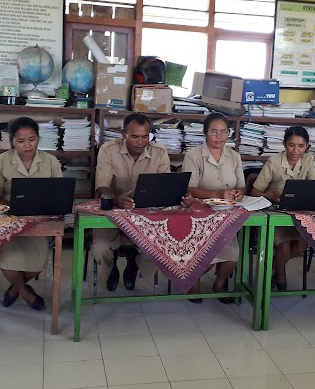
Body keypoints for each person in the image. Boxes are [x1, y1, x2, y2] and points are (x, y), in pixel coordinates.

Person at [0, 117, 63, 310]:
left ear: (38, 138)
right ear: (12, 141)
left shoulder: (50, 161)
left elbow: (60, 193)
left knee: (37, 264)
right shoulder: (2, 161)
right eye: (21, 141)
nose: (27, 145)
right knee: (9, 264)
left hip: (39, 221)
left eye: (32, 139)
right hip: (9, 221)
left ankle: (14, 289)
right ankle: (26, 293)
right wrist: (12, 206)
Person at [94, 113, 170, 291]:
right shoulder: (108, 150)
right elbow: (101, 188)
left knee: (161, 244)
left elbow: (166, 188)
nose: (140, 142)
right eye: (134, 136)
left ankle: (135, 263)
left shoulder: (159, 153)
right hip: (112, 213)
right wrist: (116, 198)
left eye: (145, 137)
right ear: (123, 134)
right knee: (100, 246)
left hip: (146, 216)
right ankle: (111, 268)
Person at [183, 113, 245, 303]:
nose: (219, 137)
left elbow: (241, 186)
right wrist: (218, 195)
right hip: (199, 215)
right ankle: (193, 280)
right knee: (203, 253)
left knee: (233, 254)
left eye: (224, 132)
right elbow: (190, 188)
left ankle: (220, 283)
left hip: (227, 214)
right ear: (205, 133)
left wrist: (239, 193)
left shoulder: (234, 156)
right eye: (214, 132)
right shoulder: (193, 156)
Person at [250, 126, 315, 290]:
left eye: (301, 146)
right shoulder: (273, 162)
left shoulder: (309, 160)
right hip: (275, 213)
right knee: (285, 246)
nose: (296, 150)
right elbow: (254, 191)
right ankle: (280, 272)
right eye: (291, 145)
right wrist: (268, 195)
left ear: (307, 146)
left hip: (300, 213)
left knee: (303, 243)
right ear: (284, 144)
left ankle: (273, 266)